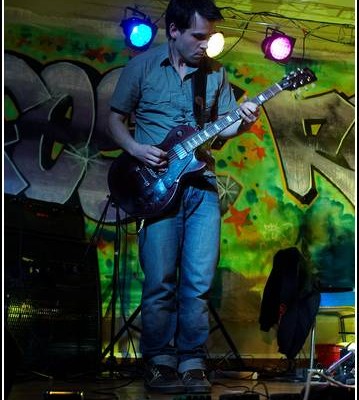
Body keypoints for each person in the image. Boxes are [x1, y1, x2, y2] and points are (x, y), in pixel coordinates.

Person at [108, 0, 259, 394]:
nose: (204, 45)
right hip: (155, 187)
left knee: (198, 280)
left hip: (201, 186)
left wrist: (242, 125)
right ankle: (159, 361)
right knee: (160, 280)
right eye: (197, 36)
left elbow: (221, 132)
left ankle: (192, 363)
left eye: (209, 37)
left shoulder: (215, 74)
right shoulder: (141, 67)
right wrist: (136, 150)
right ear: (173, 30)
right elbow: (114, 119)